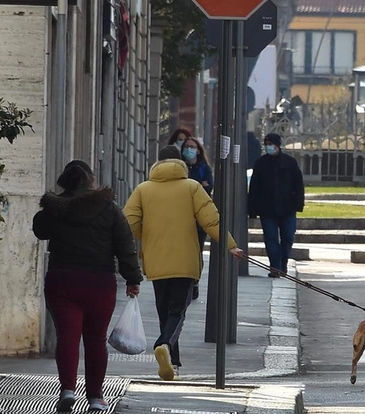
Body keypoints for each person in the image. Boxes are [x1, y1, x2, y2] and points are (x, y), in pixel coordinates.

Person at [123, 146, 243, 381]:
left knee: (163, 310)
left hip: (156, 260)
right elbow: (211, 220)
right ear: (182, 164)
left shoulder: (143, 189)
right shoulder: (192, 187)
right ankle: (165, 345)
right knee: (178, 310)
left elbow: (129, 221)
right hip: (185, 259)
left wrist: (145, 237)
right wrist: (231, 245)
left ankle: (173, 362)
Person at [32, 160, 142, 413]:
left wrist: (51, 204)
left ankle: (67, 390)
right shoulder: (109, 208)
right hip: (99, 283)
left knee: (68, 335)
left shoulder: (56, 208)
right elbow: (125, 244)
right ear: (90, 180)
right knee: (95, 339)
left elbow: (40, 230)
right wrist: (132, 279)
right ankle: (95, 397)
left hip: (63, 280)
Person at [247, 132, 305, 278]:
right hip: (267, 209)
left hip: (287, 208)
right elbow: (254, 188)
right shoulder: (261, 163)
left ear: (278, 145)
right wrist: (252, 209)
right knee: (271, 239)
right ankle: (275, 267)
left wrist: (298, 204)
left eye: (271, 144)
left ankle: (282, 264)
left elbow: (298, 185)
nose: (268, 147)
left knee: (287, 238)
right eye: (266, 144)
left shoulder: (290, 162)